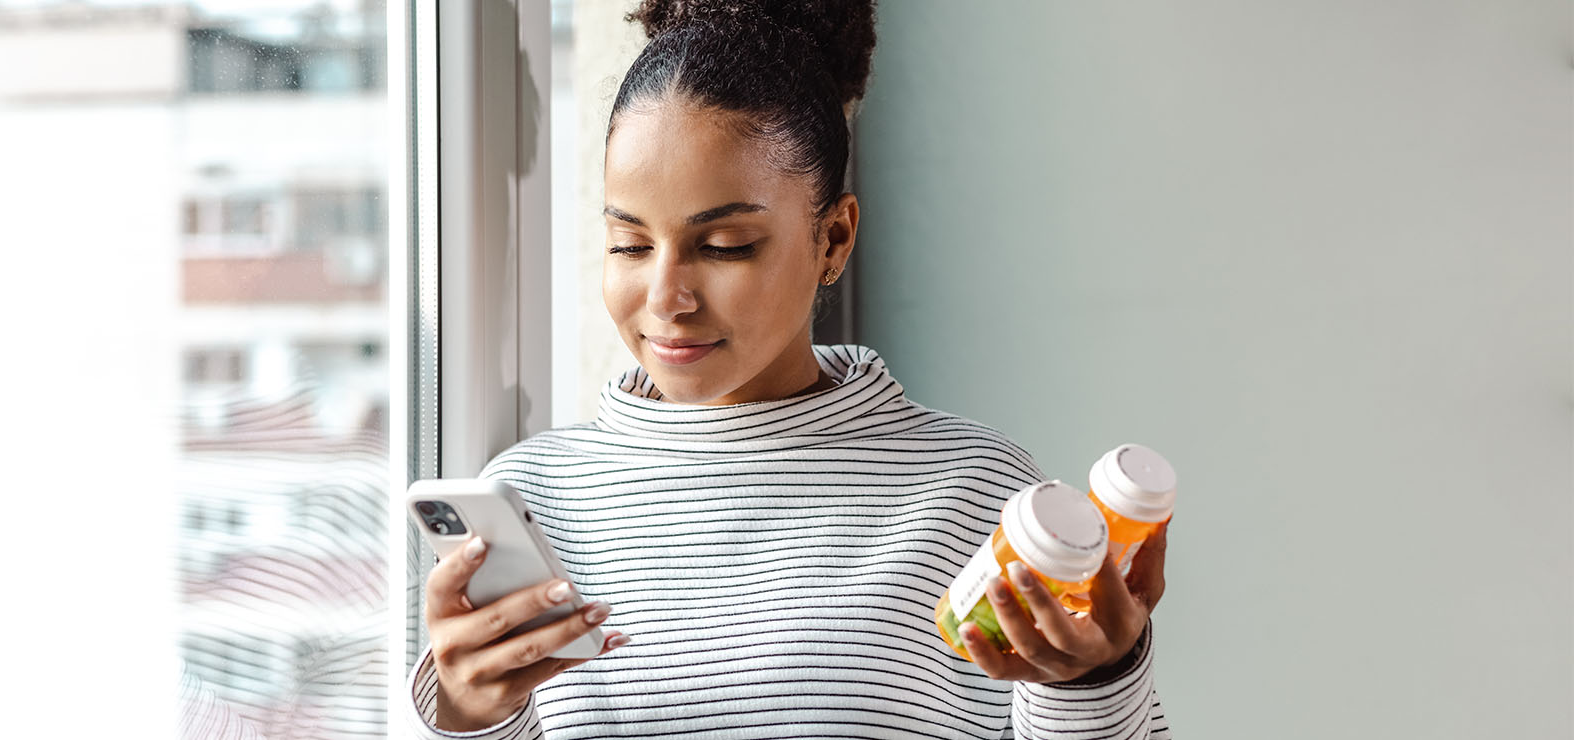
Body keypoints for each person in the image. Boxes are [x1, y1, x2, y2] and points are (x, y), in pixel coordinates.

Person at [407, 1, 1172, 738]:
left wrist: (1094, 683)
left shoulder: (973, 496)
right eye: (630, 245)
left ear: (833, 240)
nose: (666, 298)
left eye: (726, 246)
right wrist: (472, 721)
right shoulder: (532, 500)